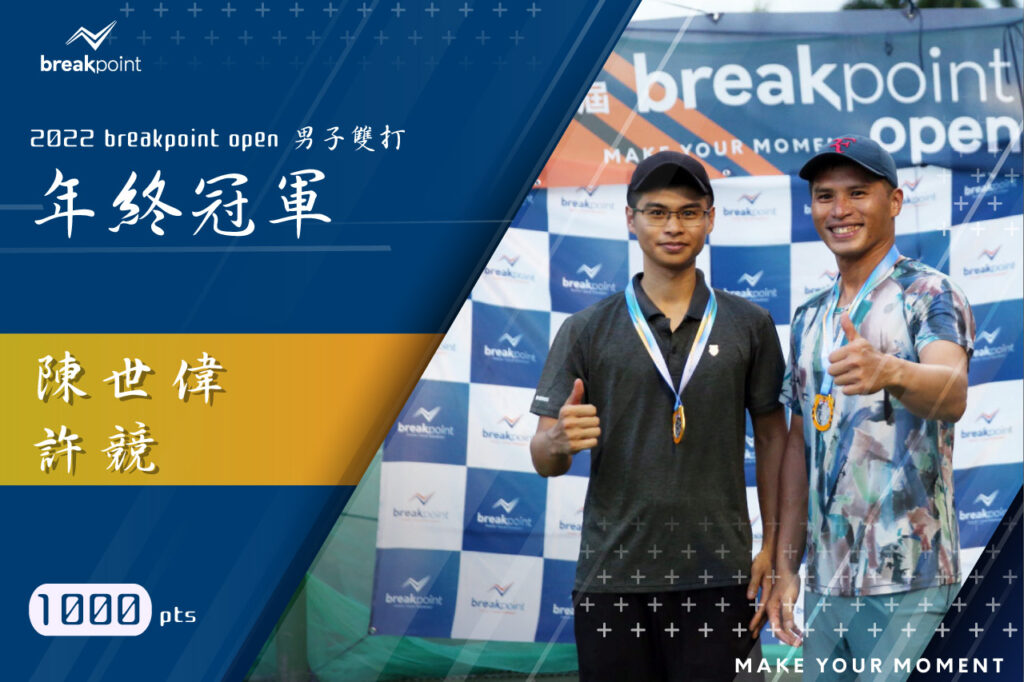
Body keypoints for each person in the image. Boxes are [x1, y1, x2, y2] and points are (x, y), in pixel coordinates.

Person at [529, 151, 787, 681]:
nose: (674, 226)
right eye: (657, 212)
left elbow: (773, 442)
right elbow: (543, 457)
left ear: (710, 219)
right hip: (613, 579)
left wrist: (773, 549)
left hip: (721, 577)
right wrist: (555, 443)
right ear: (631, 219)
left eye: (689, 212)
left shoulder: (750, 324)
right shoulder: (586, 329)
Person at [768, 135, 974, 681]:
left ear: (895, 201)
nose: (840, 210)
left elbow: (953, 394)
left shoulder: (930, 293)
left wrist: (891, 371)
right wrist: (786, 567)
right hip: (826, 585)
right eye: (825, 196)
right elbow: (798, 447)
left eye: (858, 193)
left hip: (911, 579)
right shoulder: (809, 316)